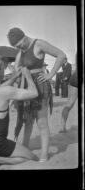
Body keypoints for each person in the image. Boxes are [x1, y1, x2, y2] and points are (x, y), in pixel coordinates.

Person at [7, 27, 66, 162]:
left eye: (20, 44)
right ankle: (25, 148)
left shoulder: (38, 44)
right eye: (17, 47)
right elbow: (16, 68)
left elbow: (61, 55)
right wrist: (16, 70)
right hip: (26, 87)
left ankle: (44, 155)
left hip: (40, 87)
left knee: (42, 122)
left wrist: (50, 74)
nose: (20, 47)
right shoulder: (21, 51)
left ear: (24, 36)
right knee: (27, 121)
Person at [0, 57, 39, 166]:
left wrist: (15, 76)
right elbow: (34, 93)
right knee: (32, 157)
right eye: (2, 68)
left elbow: (2, 86)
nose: (4, 70)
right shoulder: (4, 91)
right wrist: (28, 76)